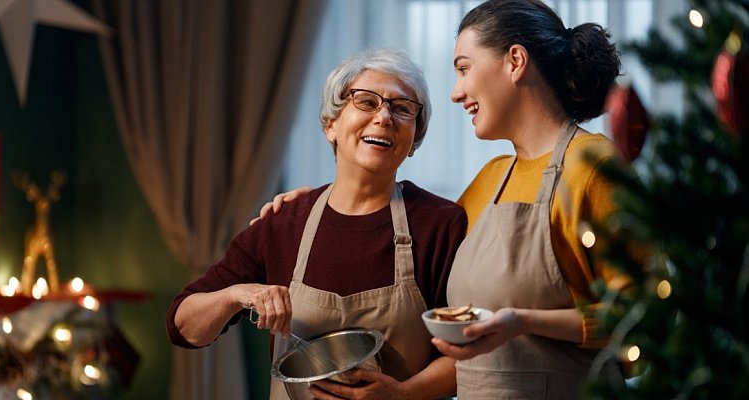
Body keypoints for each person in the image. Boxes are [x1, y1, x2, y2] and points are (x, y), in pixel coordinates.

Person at [256, 0, 626, 397]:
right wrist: (318, 202)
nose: (455, 92)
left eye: (464, 68)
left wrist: (525, 321)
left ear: (515, 61)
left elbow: (648, 321)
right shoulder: (493, 178)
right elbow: (408, 219)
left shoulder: (594, 165)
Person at [166, 48, 467, 400]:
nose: (384, 117)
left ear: (414, 140)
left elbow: (470, 353)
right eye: (366, 102)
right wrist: (237, 295)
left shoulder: (440, 224)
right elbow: (184, 327)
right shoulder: (282, 223)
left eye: (403, 109)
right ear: (330, 125)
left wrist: (402, 394)